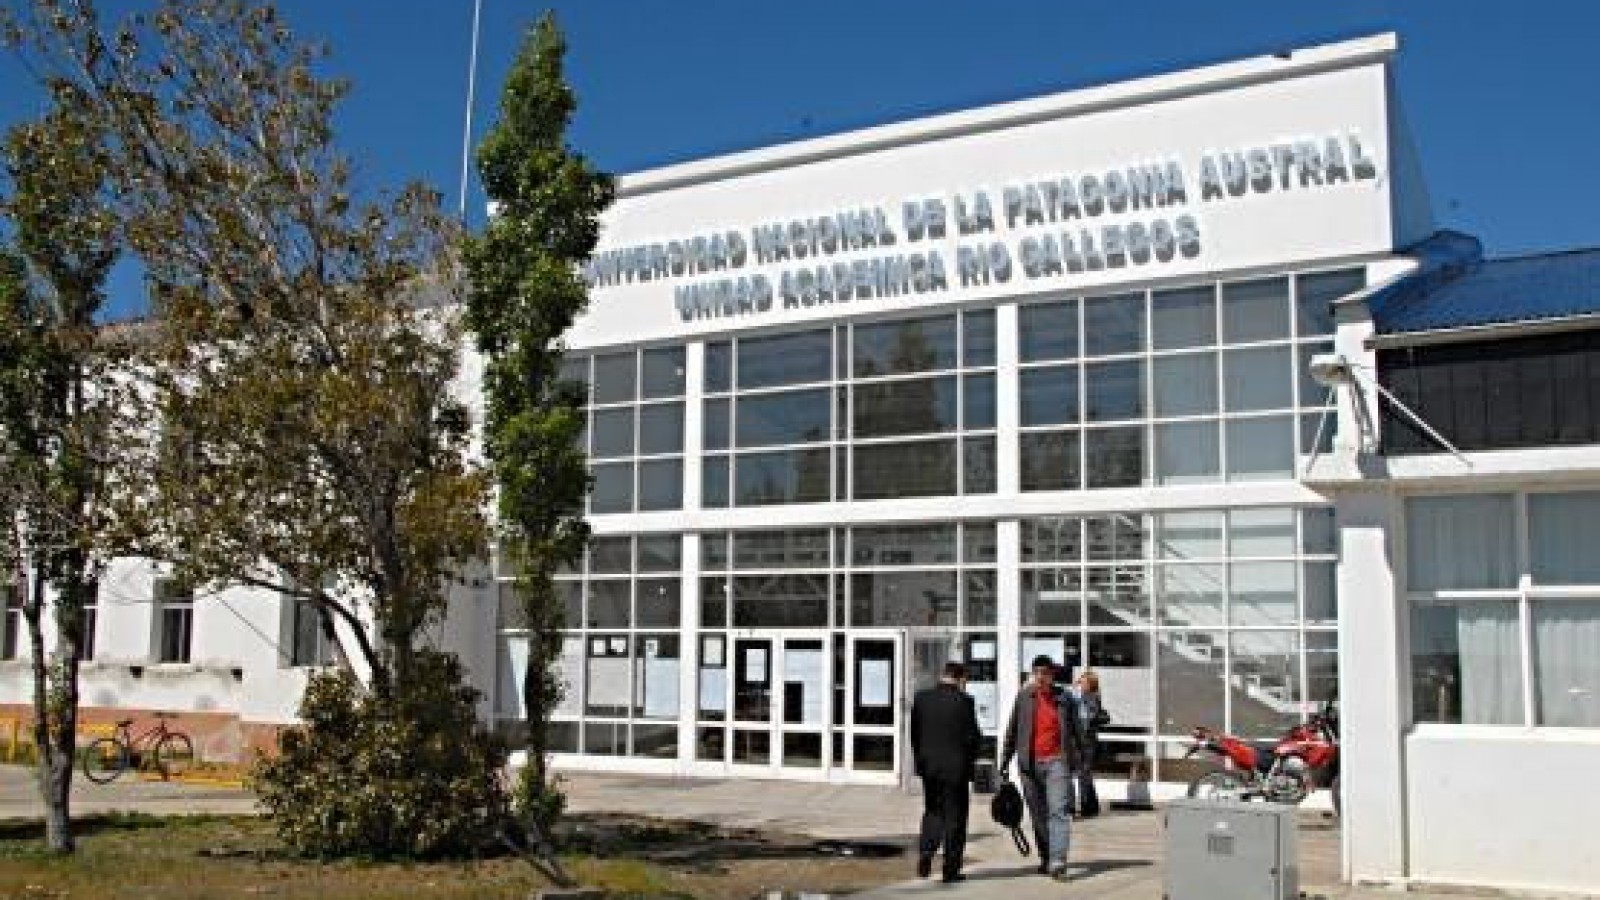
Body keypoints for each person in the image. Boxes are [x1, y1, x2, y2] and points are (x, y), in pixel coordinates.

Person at [1000, 655, 1090, 880]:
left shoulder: (1064, 698)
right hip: (1028, 765)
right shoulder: (1024, 697)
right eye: (1037, 672)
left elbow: (1078, 731)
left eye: (1045, 673)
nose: (1041, 677)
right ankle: (1046, 857)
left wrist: (1083, 762)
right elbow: (1012, 730)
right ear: (1032, 674)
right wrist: (1003, 762)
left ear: (1052, 675)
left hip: (1057, 762)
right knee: (1038, 815)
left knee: (1058, 812)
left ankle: (1058, 861)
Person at [910, 660, 982, 883]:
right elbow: (973, 737)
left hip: (929, 767)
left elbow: (915, 734)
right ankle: (950, 869)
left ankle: (926, 853)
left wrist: (921, 760)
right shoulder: (965, 701)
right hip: (956, 769)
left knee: (932, 810)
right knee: (955, 818)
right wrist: (972, 758)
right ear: (961, 678)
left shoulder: (921, 699)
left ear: (943, 675)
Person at [1070, 669, 1111, 818]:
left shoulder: (1090, 697)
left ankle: (1087, 807)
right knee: (1085, 775)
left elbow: (1089, 717)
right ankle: (1092, 807)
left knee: (1083, 775)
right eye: (1080, 681)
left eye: (1083, 682)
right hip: (1083, 742)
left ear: (1089, 684)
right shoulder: (1082, 697)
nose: (1080, 684)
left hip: (1086, 742)